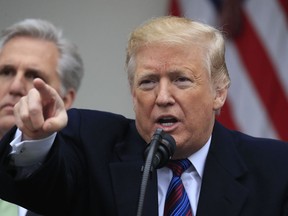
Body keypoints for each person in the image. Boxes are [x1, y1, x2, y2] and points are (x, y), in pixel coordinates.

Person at [0, 16, 287, 216]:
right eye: (148, 82)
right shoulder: (91, 145)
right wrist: (37, 138)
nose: (162, 97)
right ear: (132, 91)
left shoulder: (276, 169)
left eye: (181, 80)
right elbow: (40, 187)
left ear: (219, 92)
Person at [0, 18, 84, 216]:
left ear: (64, 99)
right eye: (6, 72)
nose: (15, 87)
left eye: (33, 76)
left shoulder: (83, 179)